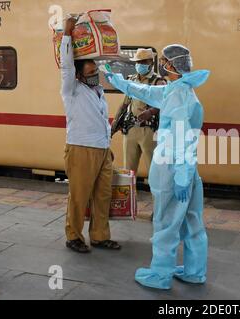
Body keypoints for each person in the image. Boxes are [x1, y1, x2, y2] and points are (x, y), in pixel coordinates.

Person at [105, 44, 209, 290]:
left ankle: (160, 275)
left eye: (163, 60)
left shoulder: (177, 96)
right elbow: (146, 92)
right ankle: (195, 271)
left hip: (172, 167)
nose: (160, 64)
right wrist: (119, 81)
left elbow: (181, 135)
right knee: (192, 221)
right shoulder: (180, 89)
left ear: (171, 65)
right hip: (187, 167)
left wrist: (181, 174)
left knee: (165, 222)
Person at [60, 17, 121, 253]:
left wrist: (106, 145)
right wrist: (67, 32)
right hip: (81, 148)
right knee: (79, 196)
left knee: (103, 195)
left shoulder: (97, 90)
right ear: (78, 73)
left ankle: (99, 236)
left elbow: (100, 121)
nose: (95, 68)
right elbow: (66, 66)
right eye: (90, 65)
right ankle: (73, 236)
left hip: (102, 150)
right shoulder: (71, 90)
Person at [111, 48, 166, 174]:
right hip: (130, 129)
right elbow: (125, 103)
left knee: (154, 170)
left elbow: (164, 103)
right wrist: (115, 122)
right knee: (128, 171)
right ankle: (130, 194)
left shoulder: (158, 81)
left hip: (149, 130)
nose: (140, 64)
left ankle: (156, 194)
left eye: (143, 62)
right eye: (138, 61)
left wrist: (151, 112)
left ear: (151, 63)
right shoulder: (131, 80)